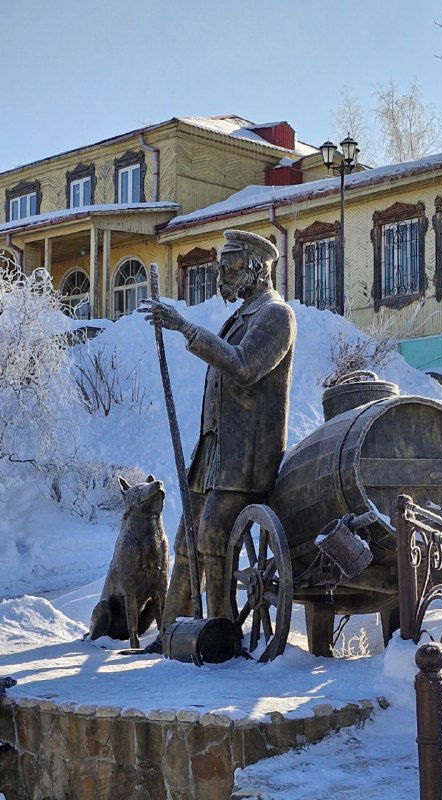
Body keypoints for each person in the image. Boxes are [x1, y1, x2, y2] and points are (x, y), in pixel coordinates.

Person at [139, 230, 296, 645]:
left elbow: (244, 367)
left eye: (230, 268)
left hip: (245, 457)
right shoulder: (242, 315)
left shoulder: (276, 316)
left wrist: (185, 328)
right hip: (214, 450)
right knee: (187, 538)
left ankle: (220, 634)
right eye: (220, 268)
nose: (221, 276)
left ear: (257, 269)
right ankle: (173, 631)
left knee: (211, 537)